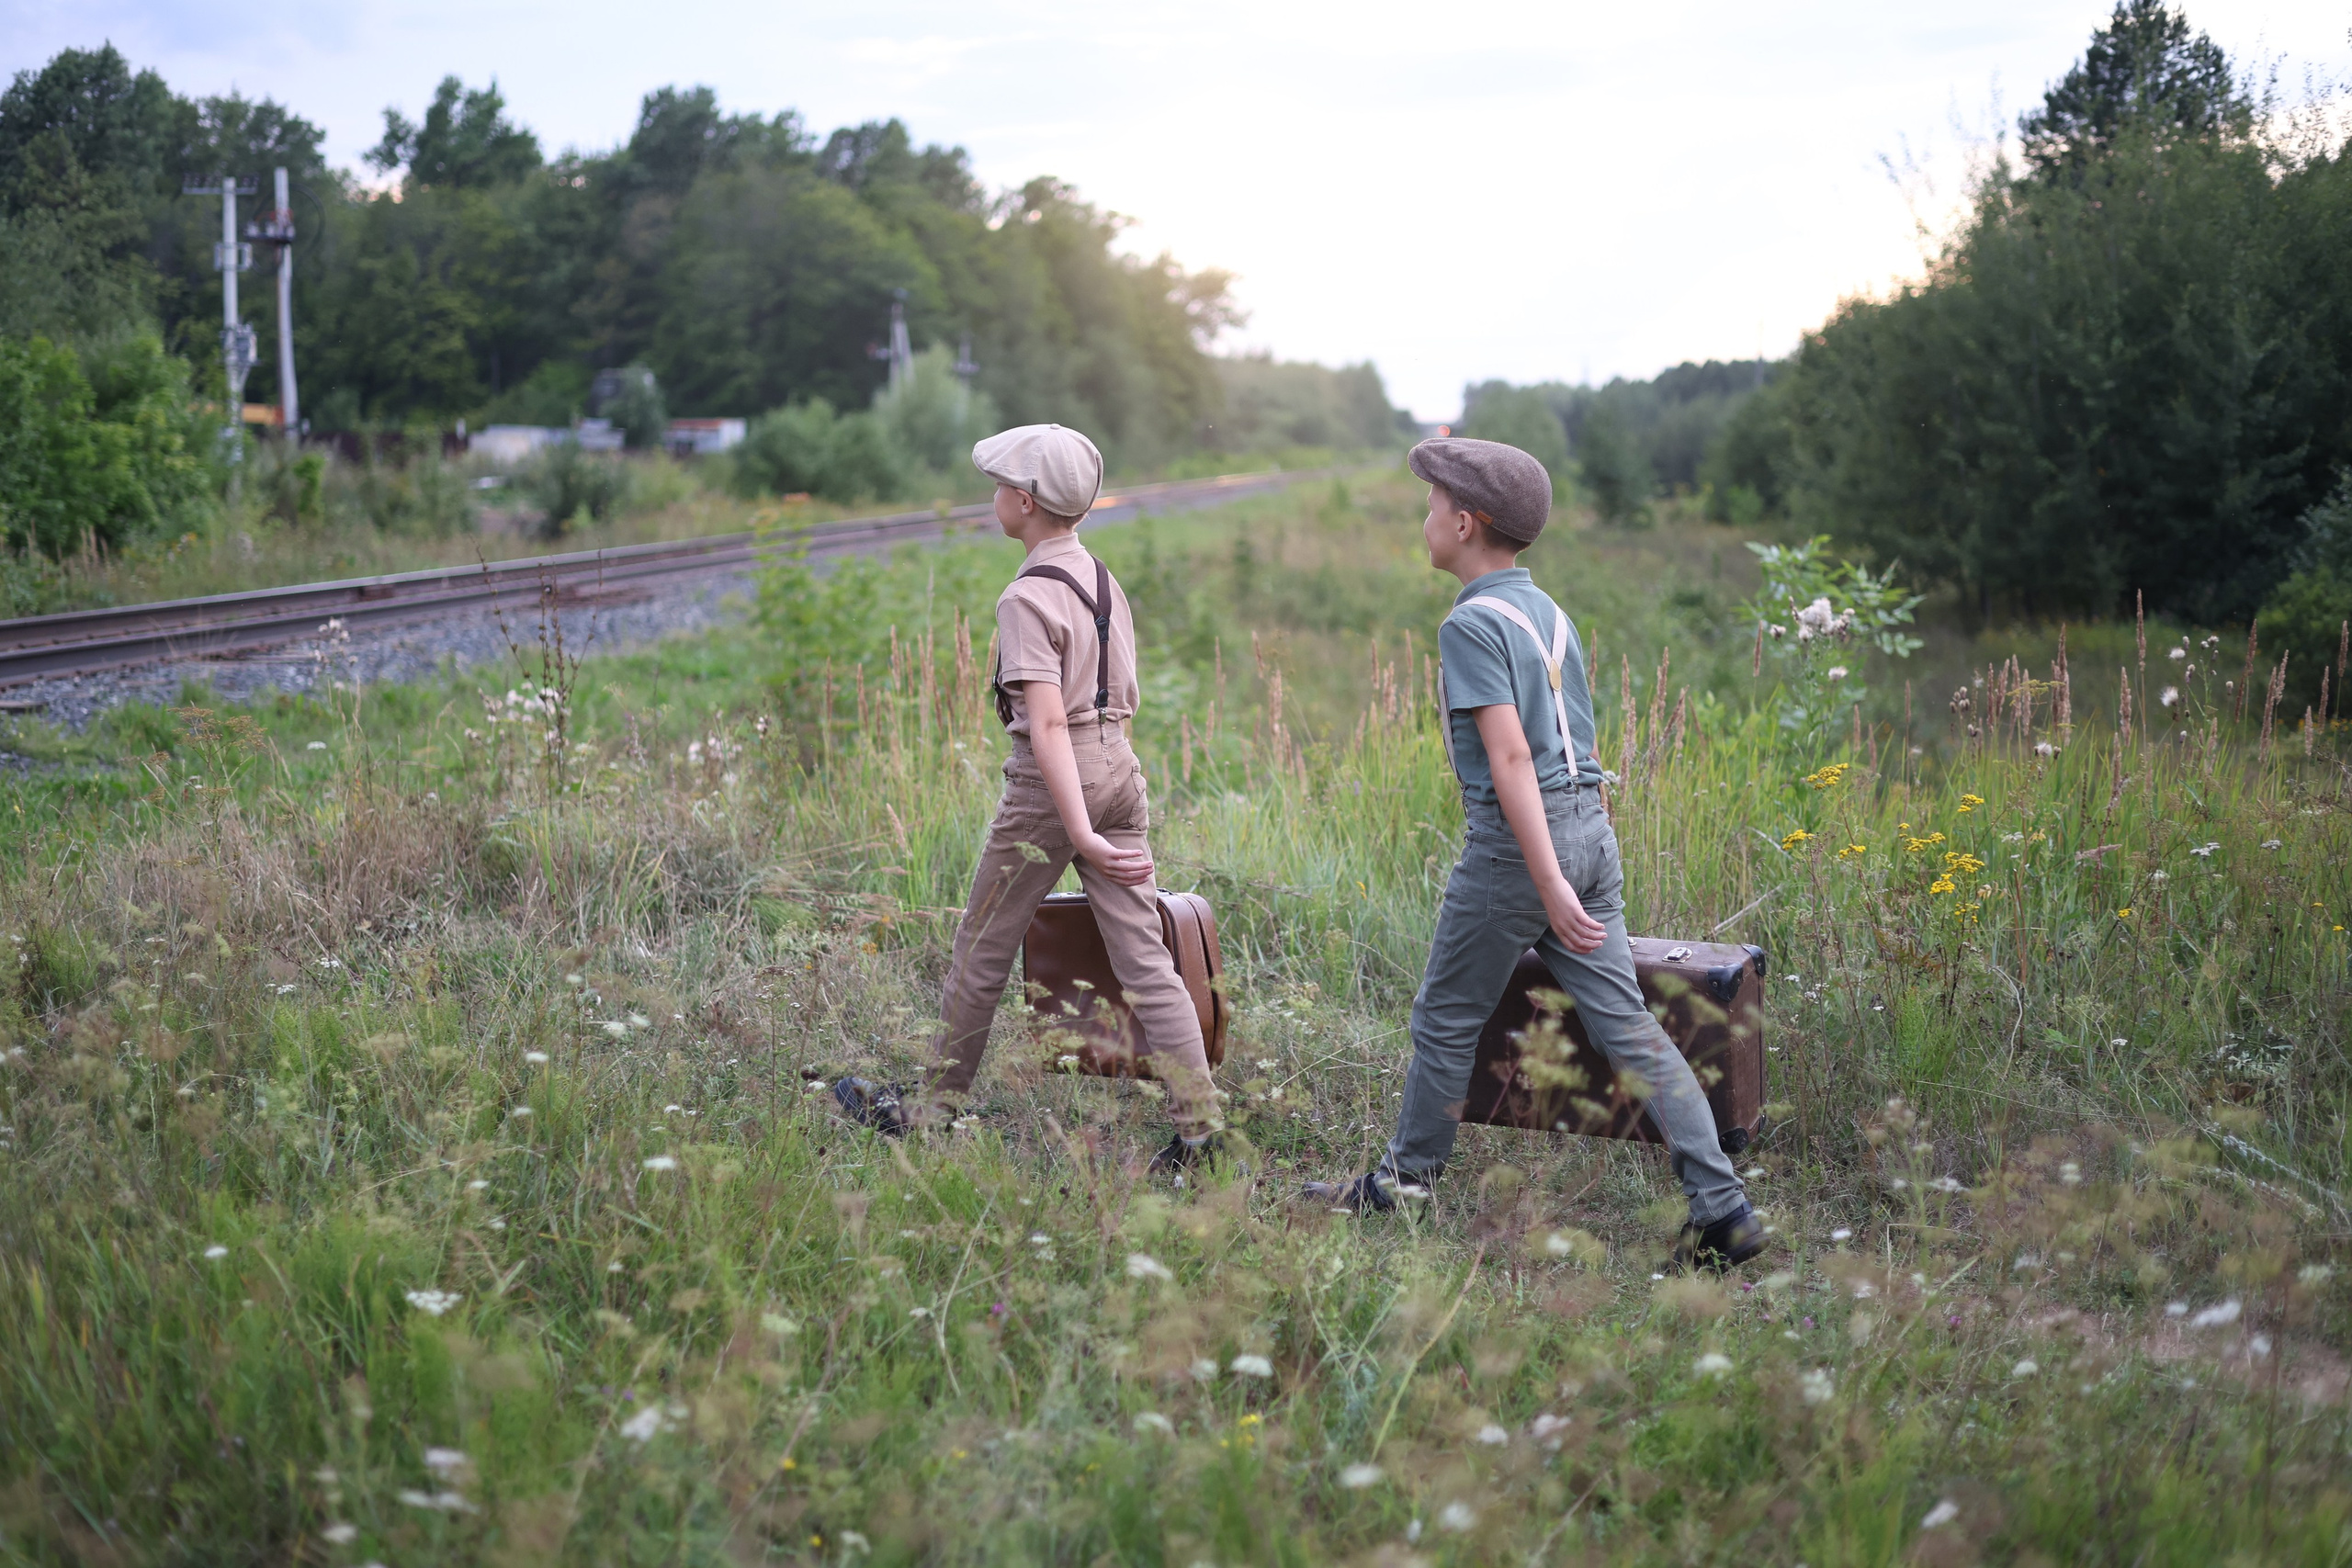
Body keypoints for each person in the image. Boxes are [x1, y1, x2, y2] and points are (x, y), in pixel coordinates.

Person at [1304, 437, 1763, 1271]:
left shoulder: (1470, 623)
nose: (1426, 517)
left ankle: (1405, 1184)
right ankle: (1724, 1207)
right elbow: (1573, 742)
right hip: (1592, 824)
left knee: (1445, 1017)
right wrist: (1578, 853)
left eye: (1432, 504)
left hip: (1520, 850)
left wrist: (1546, 880)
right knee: (1632, 1028)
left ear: (1466, 521)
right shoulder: (1550, 614)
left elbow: (1512, 758)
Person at [835, 423, 1227, 1171]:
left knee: (982, 945)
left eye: (999, 487)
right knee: (1146, 959)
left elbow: (1046, 719)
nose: (994, 497)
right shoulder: (1103, 579)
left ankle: (930, 1106)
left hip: (1057, 788)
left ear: (1022, 501)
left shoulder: (1025, 597)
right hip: (1121, 765)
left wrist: (1075, 828)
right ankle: (1202, 1128)